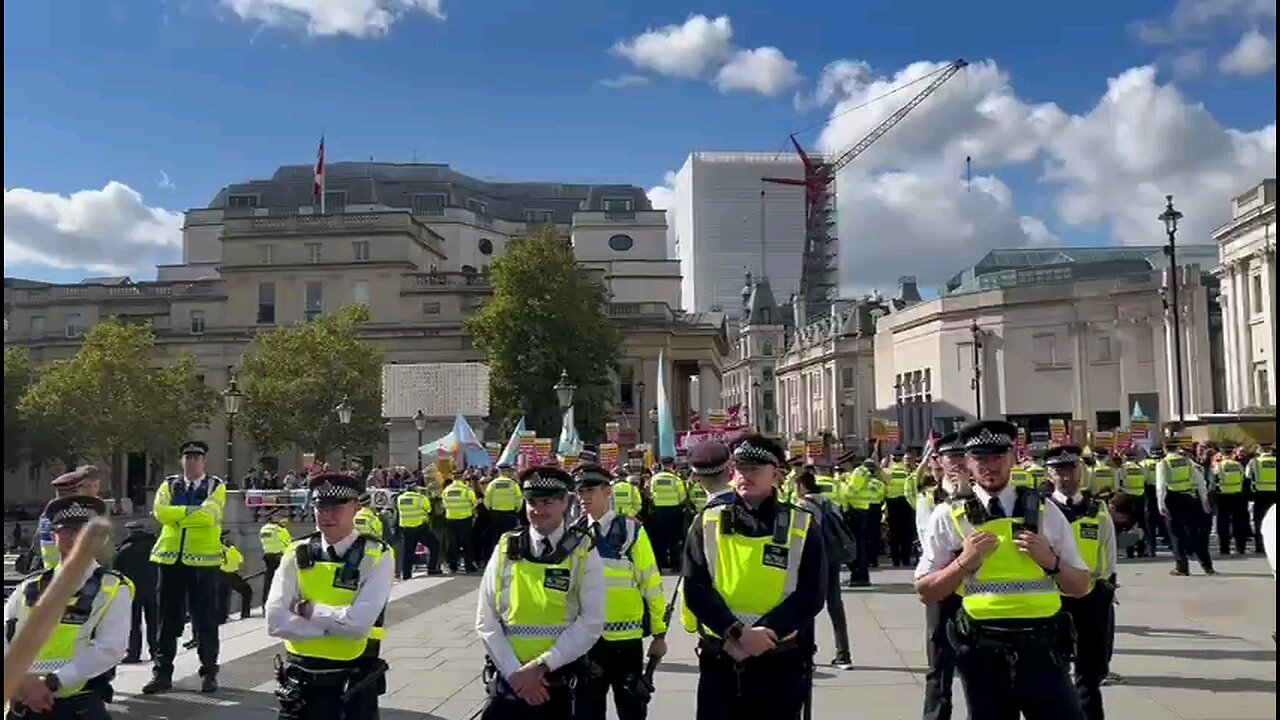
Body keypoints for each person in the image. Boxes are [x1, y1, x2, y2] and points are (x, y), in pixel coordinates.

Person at [914, 420, 1091, 720]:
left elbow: (1081, 585)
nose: (989, 466)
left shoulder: (1046, 511)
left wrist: (1051, 562)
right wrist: (962, 563)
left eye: (997, 457)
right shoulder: (949, 515)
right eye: (980, 458)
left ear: (1014, 457)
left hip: (1043, 649)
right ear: (967, 462)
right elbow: (925, 590)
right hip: (983, 652)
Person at [682, 434, 826, 720]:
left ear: (776, 473)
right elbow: (696, 588)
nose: (744, 475)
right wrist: (737, 632)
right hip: (722, 657)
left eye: (754, 469)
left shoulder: (802, 523)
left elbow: (812, 593)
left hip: (779, 659)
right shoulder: (707, 521)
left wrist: (766, 634)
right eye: (739, 468)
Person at [475, 466, 605, 719]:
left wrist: (540, 667)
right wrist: (515, 673)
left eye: (547, 502)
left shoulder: (582, 549)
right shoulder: (506, 546)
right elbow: (485, 618)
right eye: (531, 502)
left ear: (565, 502)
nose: (538, 510)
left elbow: (591, 622)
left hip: (559, 682)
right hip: (511, 680)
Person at [266, 473, 394, 719]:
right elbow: (274, 620)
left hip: (352, 684)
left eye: (336, 507)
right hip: (299, 683)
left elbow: (357, 625)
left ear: (356, 508)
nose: (326, 515)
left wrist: (310, 610)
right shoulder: (296, 551)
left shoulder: (377, 555)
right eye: (320, 507)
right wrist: (334, 626)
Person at [4, 496, 132, 719]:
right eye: (68, 530)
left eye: (84, 532)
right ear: (54, 536)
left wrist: (52, 682)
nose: (75, 538)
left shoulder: (113, 588)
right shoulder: (28, 587)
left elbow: (109, 648)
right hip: (25, 704)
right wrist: (23, 683)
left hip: (77, 705)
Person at [574, 464, 667, 720]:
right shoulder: (573, 533)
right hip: (586, 642)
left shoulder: (631, 530)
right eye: (580, 491)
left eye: (590, 490)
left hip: (626, 641)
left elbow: (651, 583)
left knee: (632, 710)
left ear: (607, 491)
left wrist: (659, 634)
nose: (583, 497)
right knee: (587, 711)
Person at [145, 440, 226, 695]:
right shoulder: (169, 484)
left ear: (204, 461)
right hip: (170, 560)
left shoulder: (216, 486)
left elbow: (209, 515)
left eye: (196, 457)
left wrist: (178, 515)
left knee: (205, 620)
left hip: (203, 562)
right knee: (166, 621)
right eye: (187, 457)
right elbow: (160, 512)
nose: (191, 461)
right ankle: (162, 674)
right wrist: (192, 513)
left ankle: (209, 673)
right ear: (181, 461)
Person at [1044, 445, 1117, 720]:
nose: (1066, 477)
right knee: (1055, 667)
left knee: (1091, 671)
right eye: (1059, 471)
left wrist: (1106, 587)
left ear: (1081, 471)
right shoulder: (1043, 511)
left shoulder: (1097, 509)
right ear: (1049, 474)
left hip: (1091, 595)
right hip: (1055, 595)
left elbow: (1108, 554)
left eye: (1071, 469)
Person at [916, 432, 968, 720]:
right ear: (940, 461)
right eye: (951, 457)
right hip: (942, 583)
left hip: (975, 587)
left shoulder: (980, 497)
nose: (957, 463)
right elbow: (930, 542)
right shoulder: (930, 497)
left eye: (962, 457)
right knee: (938, 662)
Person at [793, 469, 856, 670]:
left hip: (813, 560)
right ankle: (843, 654)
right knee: (835, 605)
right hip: (832, 558)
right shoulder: (830, 503)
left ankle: (806, 654)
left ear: (801, 486)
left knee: (807, 607)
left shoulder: (803, 505)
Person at [1155, 439, 1215, 576]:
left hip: (1172, 500)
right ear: (1177, 448)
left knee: (1176, 534)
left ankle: (1182, 567)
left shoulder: (1163, 463)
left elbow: (1161, 486)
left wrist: (1161, 505)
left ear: (1165, 449)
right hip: (1189, 499)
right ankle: (1207, 565)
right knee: (1194, 533)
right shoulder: (1187, 461)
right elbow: (1200, 481)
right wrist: (1204, 500)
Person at [33, 466, 105, 571]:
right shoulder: (83, 512)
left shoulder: (49, 514)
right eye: (86, 486)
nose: (92, 490)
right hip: (70, 571)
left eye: (95, 486)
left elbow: (37, 545)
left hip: (54, 573)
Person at [115, 520, 158, 664]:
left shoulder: (124, 550)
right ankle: (156, 651)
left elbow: (117, 572)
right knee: (154, 622)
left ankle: (134, 653)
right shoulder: (155, 546)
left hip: (132, 591)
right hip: (153, 588)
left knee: (134, 624)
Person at [648, 458, 687, 571]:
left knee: (659, 539)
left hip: (659, 511)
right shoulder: (676, 479)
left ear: (661, 465)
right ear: (672, 465)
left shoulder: (654, 479)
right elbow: (682, 496)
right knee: (673, 539)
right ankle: (675, 565)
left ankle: (660, 564)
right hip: (673, 511)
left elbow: (650, 494)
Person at [395, 481, 440, 579]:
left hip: (406, 528)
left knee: (408, 552)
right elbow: (428, 509)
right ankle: (432, 568)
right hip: (419, 527)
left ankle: (406, 574)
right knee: (434, 544)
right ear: (415, 488)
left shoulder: (400, 498)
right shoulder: (420, 498)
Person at [1212, 446, 1250, 556]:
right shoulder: (1238, 465)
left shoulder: (1218, 465)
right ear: (1233, 452)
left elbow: (1213, 480)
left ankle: (1224, 548)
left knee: (1223, 523)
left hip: (1222, 496)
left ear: (1221, 453)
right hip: (1238, 496)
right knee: (1239, 522)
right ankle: (1240, 547)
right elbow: (1243, 478)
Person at [885, 447, 917, 567]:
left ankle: (897, 560)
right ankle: (905, 560)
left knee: (895, 534)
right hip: (906, 503)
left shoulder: (887, 471)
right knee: (906, 534)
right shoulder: (909, 471)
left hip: (894, 503)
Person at [442, 473, 479, 573]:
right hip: (465, 519)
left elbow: (444, 503)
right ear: (462, 478)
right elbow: (474, 502)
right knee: (467, 543)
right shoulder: (467, 490)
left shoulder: (447, 490)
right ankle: (469, 566)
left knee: (452, 543)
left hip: (451, 519)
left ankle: (452, 566)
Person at [483, 468, 524, 559]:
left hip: (496, 515)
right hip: (510, 515)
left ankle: (496, 558)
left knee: (496, 538)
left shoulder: (493, 484)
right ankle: (509, 558)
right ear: (507, 472)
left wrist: (490, 509)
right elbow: (519, 499)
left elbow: (487, 499)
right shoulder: (513, 484)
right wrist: (517, 510)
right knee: (510, 538)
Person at [258, 510, 293, 609]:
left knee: (268, 582)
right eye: (279, 516)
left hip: (268, 557)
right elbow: (288, 543)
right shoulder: (279, 530)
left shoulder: (263, 529)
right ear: (272, 517)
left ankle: (265, 605)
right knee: (283, 581)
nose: (281, 518)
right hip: (280, 558)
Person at [217, 532, 253, 623]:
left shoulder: (224, 548)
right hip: (227, 573)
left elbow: (240, 559)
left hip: (223, 574)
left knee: (223, 595)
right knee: (246, 590)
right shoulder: (226, 548)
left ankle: (222, 617)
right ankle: (245, 614)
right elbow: (240, 559)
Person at [1247, 444, 1276, 555]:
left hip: (1261, 494)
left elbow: (1247, 477)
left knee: (1259, 520)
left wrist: (1249, 495)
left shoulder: (1254, 462)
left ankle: (1260, 546)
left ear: (1260, 449)